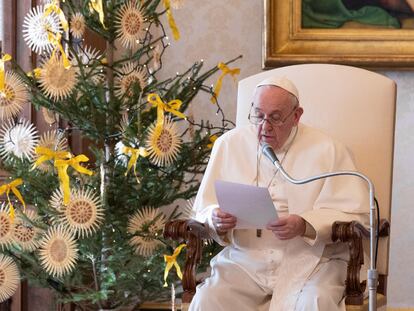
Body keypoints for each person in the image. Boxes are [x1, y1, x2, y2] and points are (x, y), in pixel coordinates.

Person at [189, 77, 370, 311]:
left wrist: (305, 224)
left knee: (313, 302)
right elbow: (202, 209)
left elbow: (357, 216)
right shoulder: (229, 144)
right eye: (258, 115)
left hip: (312, 261)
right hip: (245, 261)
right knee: (209, 300)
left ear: (296, 116)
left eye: (275, 117)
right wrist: (215, 218)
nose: (264, 127)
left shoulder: (329, 149)